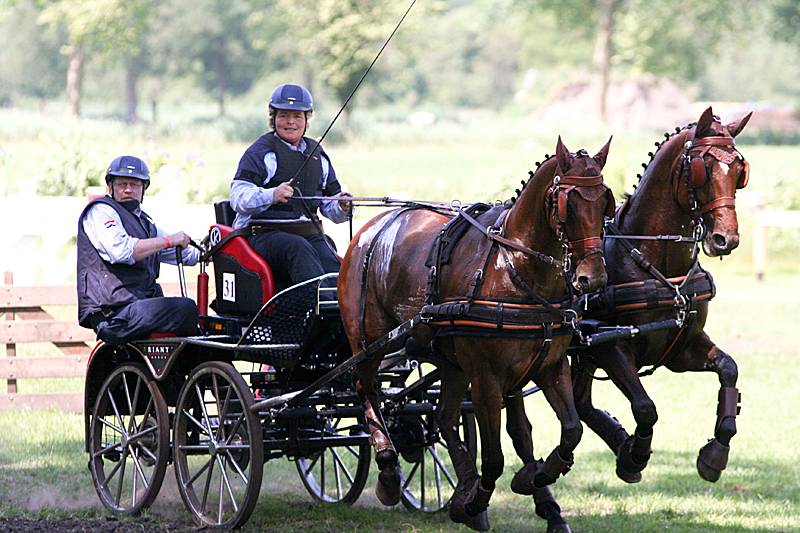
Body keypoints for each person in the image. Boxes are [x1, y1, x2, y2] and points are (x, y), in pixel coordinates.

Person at [229, 83, 352, 288]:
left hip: (308, 235)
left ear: (306, 119)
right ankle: (313, 303)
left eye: (297, 116)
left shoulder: (317, 155)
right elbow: (238, 198)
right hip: (262, 236)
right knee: (297, 248)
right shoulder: (260, 153)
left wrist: (342, 206)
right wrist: (272, 195)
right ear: (273, 118)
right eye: (284, 115)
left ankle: (335, 305)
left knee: (331, 260)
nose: (291, 122)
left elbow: (331, 209)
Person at [77, 155, 201, 344]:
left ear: (144, 188)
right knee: (186, 308)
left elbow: (187, 254)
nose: (128, 189)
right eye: (122, 184)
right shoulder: (100, 212)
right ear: (110, 186)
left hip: (136, 308)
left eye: (135, 184)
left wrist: (213, 248)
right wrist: (168, 240)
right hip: (113, 314)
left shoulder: (145, 223)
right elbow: (121, 251)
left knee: (202, 324)